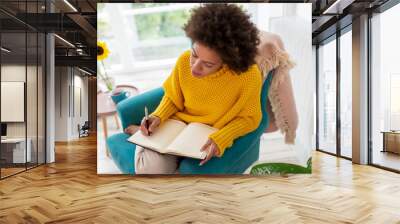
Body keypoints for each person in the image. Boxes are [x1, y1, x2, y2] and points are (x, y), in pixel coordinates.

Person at [125, 3, 262, 174]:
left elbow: (250, 118)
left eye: (208, 64)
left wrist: (223, 138)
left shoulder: (248, 76)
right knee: (150, 171)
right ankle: (141, 133)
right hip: (175, 125)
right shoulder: (183, 60)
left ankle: (139, 133)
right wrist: (158, 116)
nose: (195, 68)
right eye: (194, 55)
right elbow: (173, 97)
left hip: (207, 133)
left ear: (228, 61)